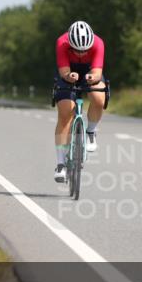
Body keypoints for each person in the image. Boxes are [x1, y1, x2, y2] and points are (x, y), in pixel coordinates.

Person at [53, 20, 105, 182]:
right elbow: (64, 71)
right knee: (65, 114)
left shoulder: (98, 43)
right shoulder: (62, 42)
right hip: (68, 73)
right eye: (77, 50)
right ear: (70, 43)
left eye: (85, 50)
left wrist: (92, 78)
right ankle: (60, 164)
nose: (81, 53)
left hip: (90, 72)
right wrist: (69, 76)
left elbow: (97, 72)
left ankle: (91, 131)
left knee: (99, 98)